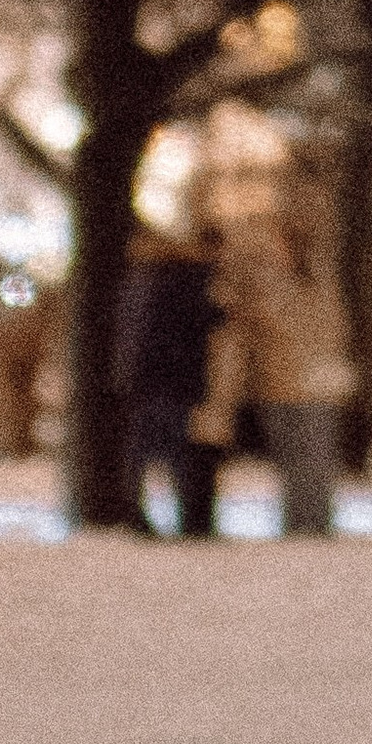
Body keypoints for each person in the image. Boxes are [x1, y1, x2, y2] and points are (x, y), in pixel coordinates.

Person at [195, 168, 356, 536]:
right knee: (296, 460)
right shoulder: (257, 266)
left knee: (317, 459)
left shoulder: (317, 269)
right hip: (279, 377)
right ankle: (301, 528)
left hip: (317, 377)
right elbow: (240, 317)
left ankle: (315, 527)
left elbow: (330, 323)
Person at [116, 227, 225, 537]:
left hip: (148, 380)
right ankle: (181, 517)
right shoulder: (189, 280)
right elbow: (200, 325)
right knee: (174, 451)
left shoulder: (144, 280)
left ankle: (143, 513)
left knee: (146, 450)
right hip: (172, 381)